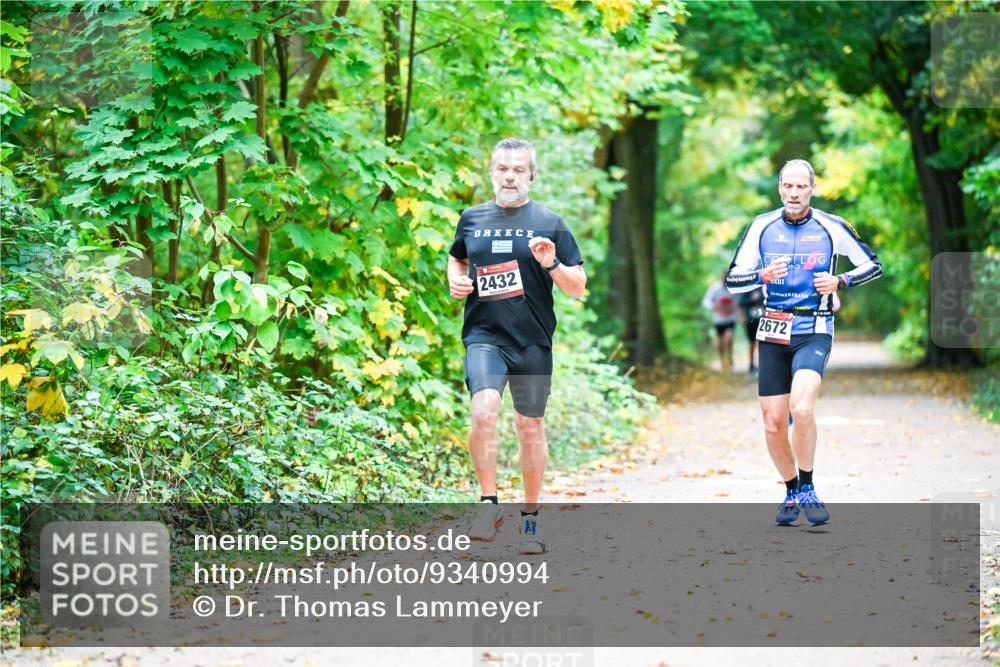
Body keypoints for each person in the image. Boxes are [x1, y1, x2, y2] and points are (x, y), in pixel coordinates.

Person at [447, 138, 586, 554]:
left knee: (529, 427)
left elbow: (577, 287)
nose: (509, 175)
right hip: (485, 337)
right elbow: (458, 257)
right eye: (502, 168)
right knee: (484, 412)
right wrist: (455, 278)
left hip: (532, 341)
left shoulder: (550, 222)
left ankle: (530, 518)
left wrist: (551, 264)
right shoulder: (471, 219)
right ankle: (489, 504)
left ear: (531, 175)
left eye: (518, 169)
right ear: (491, 172)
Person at [726, 159, 882, 526]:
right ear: (780, 188)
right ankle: (791, 491)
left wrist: (840, 282)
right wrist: (760, 275)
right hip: (773, 328)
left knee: (804, 408)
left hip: (814, 326)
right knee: (773, 422)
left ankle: (809, 487)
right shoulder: (761, 227)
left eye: (801, 187)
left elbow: (872, 265)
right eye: (788, 187)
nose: (793, 193)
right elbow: (733, 280)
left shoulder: (832, 226)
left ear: (812, 188)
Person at [701, 271, 738, 372]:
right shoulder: (714, 288)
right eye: (723, 277)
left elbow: (738, 301)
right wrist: (714, 307)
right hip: (719, 319)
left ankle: (730, 356)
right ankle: (722, 359)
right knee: (720, 340)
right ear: (721, 277)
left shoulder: (734, 288)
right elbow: (706, 301)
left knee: (729, 337)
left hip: (731, 318)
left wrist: (735, 308)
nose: (725, 279)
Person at [737, 285, 765, 376]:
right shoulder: (747, 288)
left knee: (762, 343)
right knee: (752, 343)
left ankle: (763, 365)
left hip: (764, 320)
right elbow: (741, 304)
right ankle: (751, 365)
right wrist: (742, 318)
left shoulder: (765, 288)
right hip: (750, 321)